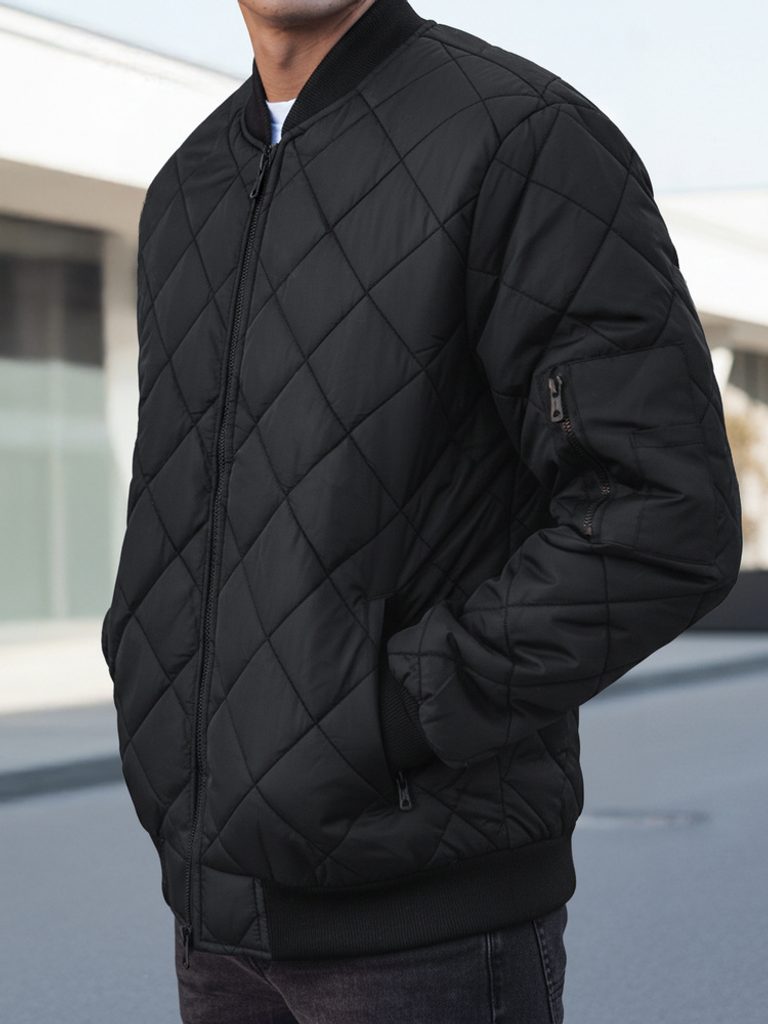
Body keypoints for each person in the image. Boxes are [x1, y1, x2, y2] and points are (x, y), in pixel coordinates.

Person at [99, 0, 743, 1020]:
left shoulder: (521, 138)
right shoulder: (189, 190)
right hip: (214, 923)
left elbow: (666, 513)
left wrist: (391, 712)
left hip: (428, 934)